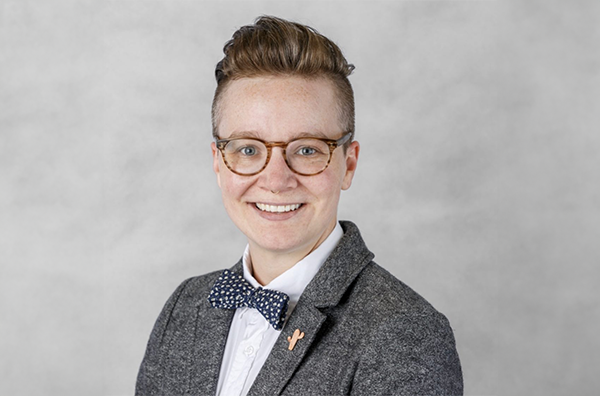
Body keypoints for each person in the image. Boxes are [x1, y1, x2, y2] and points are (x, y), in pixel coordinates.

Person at [136, 16, 463, 396]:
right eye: (248, 149)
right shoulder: (186, 306)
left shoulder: (405, 333)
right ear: (218, 162)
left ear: (349, 164)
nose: (276, 180)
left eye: (307, 150)